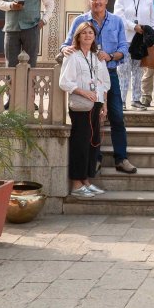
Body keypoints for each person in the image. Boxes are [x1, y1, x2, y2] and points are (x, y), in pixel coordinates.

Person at [61, 0, 136, 175]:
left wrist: (109, 56)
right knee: (92, 119)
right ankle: (95, 159)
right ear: (89, 1)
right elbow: (67, 43)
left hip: (109, 74)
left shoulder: (117, 21)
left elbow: (123, 50)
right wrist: (64, 50)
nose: (97, 3)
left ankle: (121, 158)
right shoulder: (80, 21)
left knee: (117, 117)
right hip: (86, 78)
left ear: (106, 0)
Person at [59, 21, 109, 198]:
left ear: (94, 37)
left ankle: (87, 180)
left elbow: (104, 82)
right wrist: (84, 92)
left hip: (95, 104)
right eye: (84, 33)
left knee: (93, 143)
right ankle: (76, 184)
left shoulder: (96, 57)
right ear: (78, 36)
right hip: (81, 105)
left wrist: (103, 105)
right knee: (80, 143)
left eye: (91, 33)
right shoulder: (72, 55)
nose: (88, 35)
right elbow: (64, 82)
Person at [114, 0, 154, 109]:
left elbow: (152, 19)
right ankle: (121, 101)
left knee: (138, 71)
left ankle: (136, 100)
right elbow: (119, 16)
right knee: (123, 70)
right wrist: (134, 26)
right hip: (125, 38)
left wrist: (152, 34)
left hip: (141, 40)